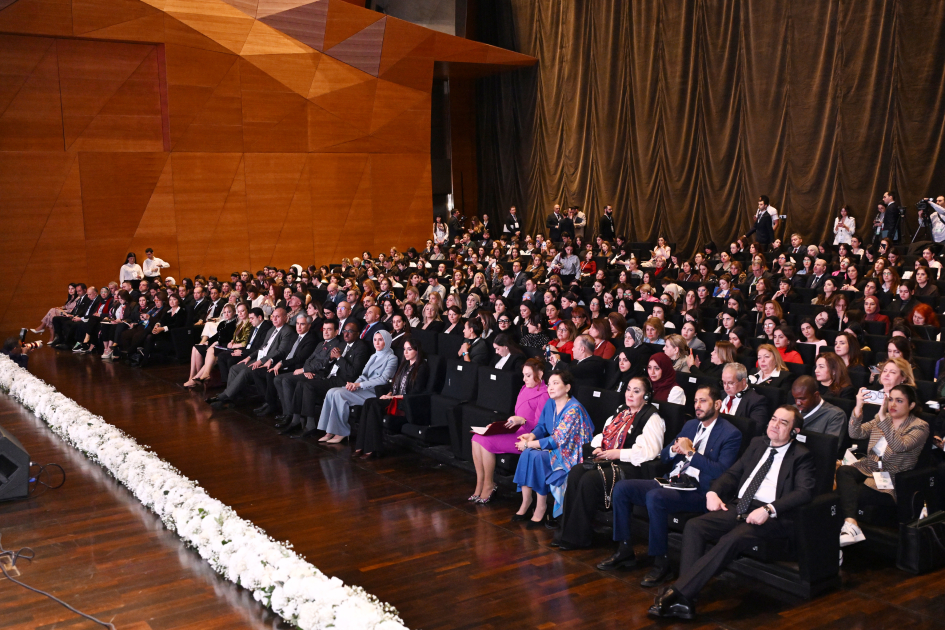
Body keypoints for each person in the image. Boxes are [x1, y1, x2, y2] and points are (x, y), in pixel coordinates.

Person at [649, 406, 815, 620]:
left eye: (783, 423)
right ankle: (686, 597)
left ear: (795, 430)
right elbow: (732, 474)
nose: (774, 425)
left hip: (771, 515)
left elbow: (805, 492)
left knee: (732, 539)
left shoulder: (801, 455)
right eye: (773, 419)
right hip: (740, 505)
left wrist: (768, 509)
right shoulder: (758, 443)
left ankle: (678, 593)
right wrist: (713, 492)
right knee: (695, 526)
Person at [598, 386, 743, 586]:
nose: (697, 406)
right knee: (623, 488)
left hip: (700, 492)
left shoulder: (730, 434)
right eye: (695, 401)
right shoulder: (691, 425)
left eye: (703, 401)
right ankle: (624, 550)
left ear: (717, 404)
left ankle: (661, 563)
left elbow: (722, 472)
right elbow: (665, 456)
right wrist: (675, 450)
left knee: (656, 497)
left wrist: (691, 453)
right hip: (672, 482)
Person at [553, 377, 667, 549]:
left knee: (589, 479)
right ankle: (567, 531)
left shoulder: (652, 418)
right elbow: (603, 434)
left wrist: (617, 453)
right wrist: (600, 446)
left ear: (646, 396)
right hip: (609, 460)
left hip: (632, 467)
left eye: (636, 391)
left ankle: (577, 537)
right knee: (576, 472)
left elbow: (649, 452)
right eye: (628, 389)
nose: (630, 394)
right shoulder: (622, 411)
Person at [838, 385, 929, 547]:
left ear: (912, 405)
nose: (892, 404)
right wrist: (859, 407)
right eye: (891, 399)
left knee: (849, 494)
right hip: (869, 467)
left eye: (899, 401)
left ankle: (848, 528)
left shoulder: (919, 426)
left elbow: (899, 446)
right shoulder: (882, 418)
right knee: (844, 471)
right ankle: (851, 524)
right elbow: (855, 433)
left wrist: (884, 420)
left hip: (891, 478)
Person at [512, 370, 595, 527]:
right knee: (527, 454)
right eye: (549, 384)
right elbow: (542, 426)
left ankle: (541, 507)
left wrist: (528, 444)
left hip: (571, 452)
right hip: (555, 448)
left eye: (556, 383)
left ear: (567, 387)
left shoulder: (574, 409)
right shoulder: (550, 403)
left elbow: (557, 440)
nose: (550, 387)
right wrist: (531, 437)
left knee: (536, 455)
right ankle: (526, 501)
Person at [316, 330, 399, 444]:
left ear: (387, 341)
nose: (377, 343)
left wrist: (359, 385)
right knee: (331, 391)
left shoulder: (392, 358)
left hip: (374, 391)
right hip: (363, 388)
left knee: (339, 394)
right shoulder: (374, 355)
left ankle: (341, 431)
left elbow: (383, 380)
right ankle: (329, 430)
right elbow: (363, 375)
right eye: (375, 340)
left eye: (380, 340)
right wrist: (353, 385)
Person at [352, 338, 429, 459]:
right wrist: (389, 394)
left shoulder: (421, 367)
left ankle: (373, 449)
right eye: (404, 349)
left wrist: (394, 397)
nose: (406, 352)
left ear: (417, 351)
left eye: (409, 349)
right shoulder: (404, 365)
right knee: (368, 402)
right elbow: (394, 386)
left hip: (406, 402)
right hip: (394, 398)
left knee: (376, 405)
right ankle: (361, 445)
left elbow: (416, 391)